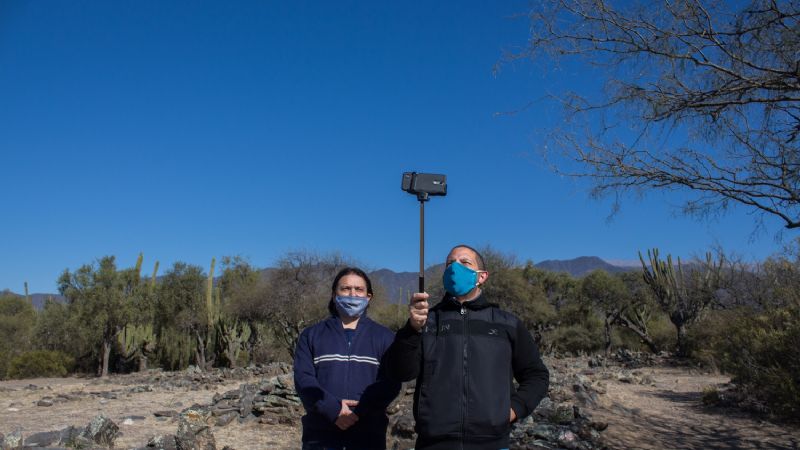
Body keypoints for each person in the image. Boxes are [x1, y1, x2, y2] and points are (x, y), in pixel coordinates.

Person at [385, 245, 550, 450]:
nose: (455, 268)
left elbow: (537, 375)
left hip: (493, 443)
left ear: (482, 276)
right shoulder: (427, 322)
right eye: (449, 264)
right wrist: (411, 330)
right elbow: (400, 372)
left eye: (464, 262)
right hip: (433, 443)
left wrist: (513, 409)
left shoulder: (507, 324)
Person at [294, 267, 401, 450]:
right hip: (320, 435)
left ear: (369, 297)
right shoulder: (311, 335)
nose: (352, 294)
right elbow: (304, 380)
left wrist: (359, 411)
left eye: (359, 289)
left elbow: (391, 382)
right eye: (345, 289)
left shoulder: (386, 337)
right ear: (334, 295)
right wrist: (334, 410)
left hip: (368, 435)